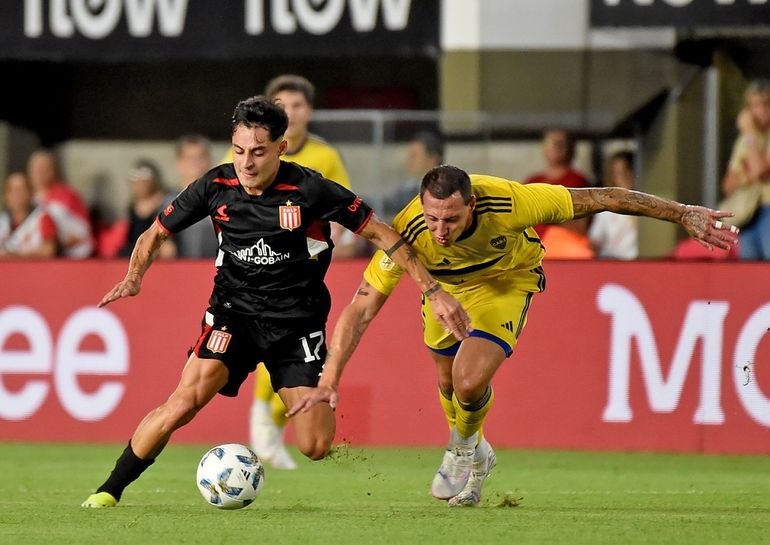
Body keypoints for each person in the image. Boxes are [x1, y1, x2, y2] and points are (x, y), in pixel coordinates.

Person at [81, 96, 469, 508]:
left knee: (315, 445)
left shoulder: (310, 188)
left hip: (296, 326)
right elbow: (156, 232)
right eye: (239, 151)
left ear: (281, 148)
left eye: (258, 152)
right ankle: (108, 490)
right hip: (233, 317)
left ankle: (297, 403)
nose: (246, 163)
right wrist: (134, 277)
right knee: (182, 403)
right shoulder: (215, 186)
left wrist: (432, 290)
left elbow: (381, 233)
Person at [288, 164, 739, 507]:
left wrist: (682, 214)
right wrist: (331, 378)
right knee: (446, 382)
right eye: (432, 219)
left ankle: (462, 448)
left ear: (472, 206)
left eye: (451, 220)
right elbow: (360, 309)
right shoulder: (408, 232)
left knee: (468, 381)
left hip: (504, 283)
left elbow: (604, 197)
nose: (440, 231)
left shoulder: (512, 202)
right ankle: (480, 453)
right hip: (443, 293)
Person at [226, 75, 359, 469]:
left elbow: (343, 204)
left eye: (299, 105)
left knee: (294, 347)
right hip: (256, 264)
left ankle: (272, 419)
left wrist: (343, 241)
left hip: (305, 266)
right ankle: (263, 417)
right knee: (274, 337)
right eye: (284, 105)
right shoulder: (250, 150)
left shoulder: (325, 155)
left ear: (310, 111)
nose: (292, 112)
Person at [721, 79, 770, 260]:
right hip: (747, 212)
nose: (761, 111)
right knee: (749, 266)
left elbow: (760, 170)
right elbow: (728, 185)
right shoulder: (743, 141)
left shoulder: (749, 136)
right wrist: (747, 176)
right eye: (755, 105)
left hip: (768, 208)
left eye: (766, 104)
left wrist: (749, 132)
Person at [526, 129, 593, 255]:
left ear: (570, 148)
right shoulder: (532, 181)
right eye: (551, 142)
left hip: (565, 252)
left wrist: (548, 215)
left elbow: (582, 226)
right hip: (530, 252)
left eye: (561, 143)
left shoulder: (579, 181)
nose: (556, 147)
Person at [27, 149, 93, 258]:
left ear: (53, 170)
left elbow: (83, 234)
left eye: (44, 168)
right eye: (36, 168)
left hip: (70, 258)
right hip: (33, 257)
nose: (40, 172)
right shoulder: (28, 199)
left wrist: (55, 246)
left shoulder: (67, 196)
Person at [118, 160, 176, 258]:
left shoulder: (166, 203)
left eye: (145, 178)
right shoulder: (131, 206)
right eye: (136, 177)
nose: (140, 183)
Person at [173, 134, 219, 258]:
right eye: (189, 158)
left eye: (200, 157)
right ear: (179, 163)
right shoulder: (167, 202)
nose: (195, 163)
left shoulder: (225, 198)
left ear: (210, 161)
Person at [382, 131, 445, 221]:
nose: (409, 160)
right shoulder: (409, 188)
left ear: (432, 159)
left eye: (414, 156)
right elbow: (386, 204)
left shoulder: (445, 192)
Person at [588, 150, 639, 259]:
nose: (624, 177)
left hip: (637, 261)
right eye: (618, 173)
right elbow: (595, 241)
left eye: (627, 171)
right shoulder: (605, 207)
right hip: (609, 261)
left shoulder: (647, 205)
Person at [0, 171, 57, 258]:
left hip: (34, 265)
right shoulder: (2, 221)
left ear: (30, 193)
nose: (17, 195)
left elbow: (48, 249)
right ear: (6, 196)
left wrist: (18, 255)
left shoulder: (42, 217)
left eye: (21, 190)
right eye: (13, 190)